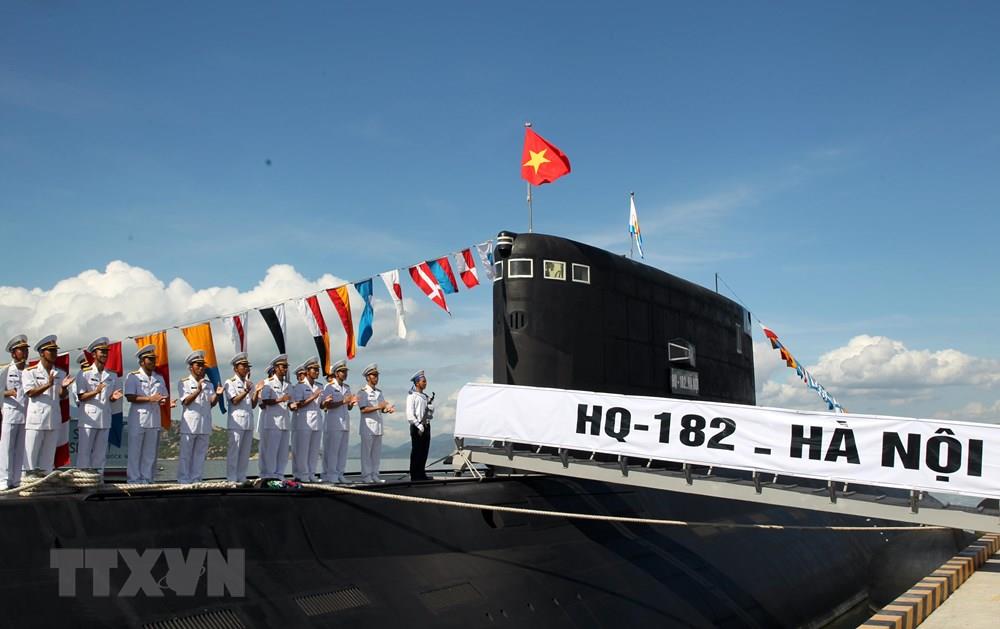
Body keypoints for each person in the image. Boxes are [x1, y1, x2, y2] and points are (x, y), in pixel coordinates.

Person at [22, 335, 74, 473]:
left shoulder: (60, 373)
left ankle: (46, 483)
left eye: (55, 351)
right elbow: (30, 393)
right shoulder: (30, 372)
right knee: (30, 457)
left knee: (48, 458)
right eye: (50, 351)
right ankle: (27, 483)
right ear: (41, 353)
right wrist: (48, 384)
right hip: (36, 420)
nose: (54, 354)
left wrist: (63, 388)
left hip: (53, 419)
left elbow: (62, 396)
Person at [124, 344, 173, 484]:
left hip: (154, 418)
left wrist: (162, 401)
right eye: (149, 359)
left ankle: (146, 478)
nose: (152, 362)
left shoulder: (159, 378)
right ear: (141, 361)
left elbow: (164, 395)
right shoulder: (133, 377)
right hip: (138, 418)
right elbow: (130, 396)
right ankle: (133, 479)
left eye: (153, 359)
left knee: (150, 452)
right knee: (135, 451)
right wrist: (149, 399)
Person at [75, 337, 123, 473]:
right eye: (101, 351)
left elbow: (108, 398)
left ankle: (97, 479)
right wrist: (95, 391)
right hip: (88, 419)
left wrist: (113, 398)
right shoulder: (84, 374)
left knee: (100, 454)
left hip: (104, 418)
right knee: (84, 453)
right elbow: (81, 396)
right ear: (94, 354)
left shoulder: (111, 375)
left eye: (106, 352)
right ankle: (82, 479)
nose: (105, 354)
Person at [177, 350, 220, 484]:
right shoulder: (183, 382)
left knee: (200, 454)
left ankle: (196, 478)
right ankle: (184, 479)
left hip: (204, 422)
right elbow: (185, 401)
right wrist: (198, 390)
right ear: (191, 367)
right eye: (198, 365)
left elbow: (211, 403)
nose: (201, 368)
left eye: (202, 365)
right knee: (186, 454)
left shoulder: (209, 384)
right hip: (190, 424)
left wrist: (217, 395)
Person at [356, 363, 394, 483]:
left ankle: (374, 474)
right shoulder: (362, 392)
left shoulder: (379, 392)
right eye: (373, 375)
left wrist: (387, 409)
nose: (376, 378)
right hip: (368, 427)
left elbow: (382, 407)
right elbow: (363, 410)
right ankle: (366, 475)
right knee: (366, 453)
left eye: (377, 375)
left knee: (376, 453)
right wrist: (379, 407)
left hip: (378, 426)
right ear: (367, 377)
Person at [1, 335, 30, 488]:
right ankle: (4, 479)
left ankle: (17, 479)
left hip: (25, 414)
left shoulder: (29, 370)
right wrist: (7, 393)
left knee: (20, 449)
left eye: (26, 350)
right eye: (21, 350)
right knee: (6, 448)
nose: (24, 353)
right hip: (9, 412)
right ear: (13, 353)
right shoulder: (5, 369)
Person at [224, 352, 256, 482]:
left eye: (247, 366)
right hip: (236, 422)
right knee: (234, 452)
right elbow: (234, 401)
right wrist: (246, 391)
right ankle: (231, 478)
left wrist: (256, 392)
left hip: (248, 421)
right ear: (236, 368)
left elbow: (253, 404)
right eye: (243, 366)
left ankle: (241, 476)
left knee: (244, 452)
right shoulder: (229, 382)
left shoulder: (249, 383)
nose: (246, 369)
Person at [257, 354, 291, 480]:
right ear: (276, 368)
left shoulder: (287, 385)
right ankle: (270, 474)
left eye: (286, 367)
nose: (285, 369)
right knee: (271, 449)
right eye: (283, 366)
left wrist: (294, 405)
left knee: (283, 451)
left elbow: (290, 402)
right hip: (273, 422)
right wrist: (280, 399)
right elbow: (265, 401)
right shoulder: (268, 383)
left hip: (285, 421)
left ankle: (279, 474)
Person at [321, 359, 355, 483]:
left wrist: (352, 403)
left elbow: (349, 407)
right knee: (333, 450)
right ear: (336, 373)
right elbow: (326, 406)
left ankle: (340, 473)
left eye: (346, 371)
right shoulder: (329, 387)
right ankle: (331, 474)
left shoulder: (347, 387)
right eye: (342, 371)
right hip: (333, 423)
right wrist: (343, 402)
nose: (345, 374)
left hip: (345, 423)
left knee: (342, 450)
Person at [290, 358, 324, 482]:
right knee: (303, 450)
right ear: (307, 371)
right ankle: (303, 474)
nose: (317, 372)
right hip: (304, 421)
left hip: (317, 421)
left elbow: (321, 405)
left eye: (317, 369)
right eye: (314, 369)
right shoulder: (299, 387)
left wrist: (326, 401)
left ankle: (311, 473)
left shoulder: (320, 386)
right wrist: (313, 396)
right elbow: (298, 404)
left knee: (314, 450)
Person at [405, 370, 434, 481]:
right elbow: (409, 414)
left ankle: (421, 473)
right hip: (417, 426)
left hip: (426, 425)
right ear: (417, 383)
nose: (425, 383)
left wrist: (431, 412)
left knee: (424, 451)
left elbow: (427, 413)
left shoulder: (425, 397)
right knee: (416, 451)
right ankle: (415, 474)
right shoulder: (412, 396)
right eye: (423, 381)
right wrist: (418, 424)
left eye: (425, 381)